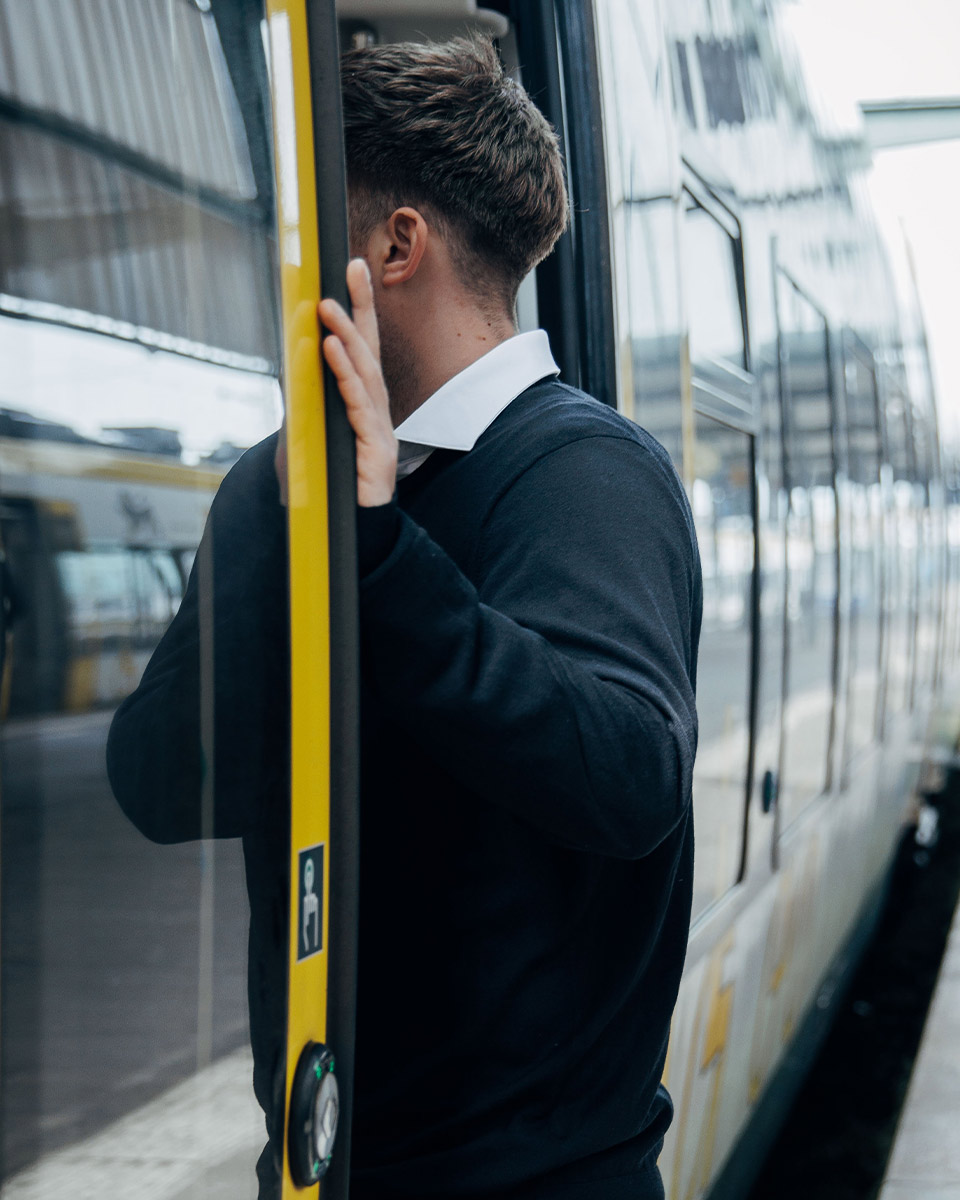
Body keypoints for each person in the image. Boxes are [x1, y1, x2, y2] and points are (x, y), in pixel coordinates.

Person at [108, 34, 701, 1200]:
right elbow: (162, 781)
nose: (282, 277)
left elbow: (627, 779)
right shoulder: (287, 485)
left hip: (537, 1184)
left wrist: (383, 551)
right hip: (332, 1165)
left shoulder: (585, 474)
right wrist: (286, 523)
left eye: (300, 237)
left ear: (393, 245)